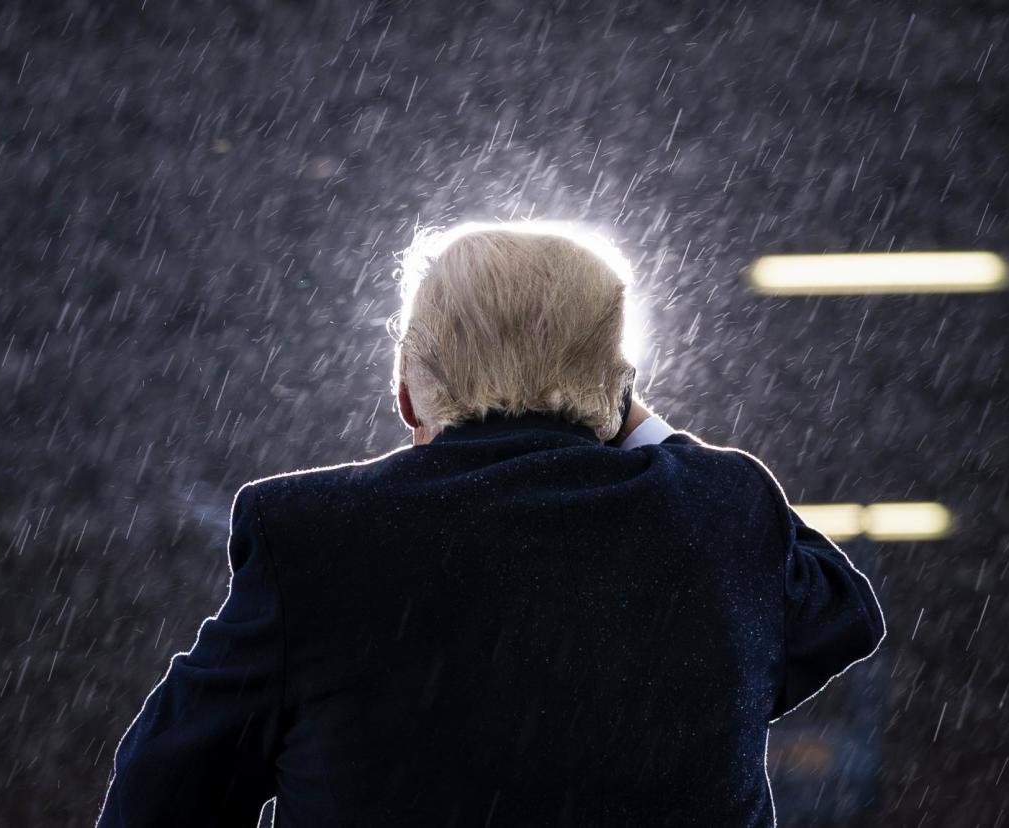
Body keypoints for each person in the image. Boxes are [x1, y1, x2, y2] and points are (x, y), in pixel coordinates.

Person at [95, 221, 886, 827]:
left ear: (407, 391)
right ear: (613, 391)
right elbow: (840, 616)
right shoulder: (720, 509)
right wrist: (634, 417)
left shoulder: (314, 538)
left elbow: (157, 795)